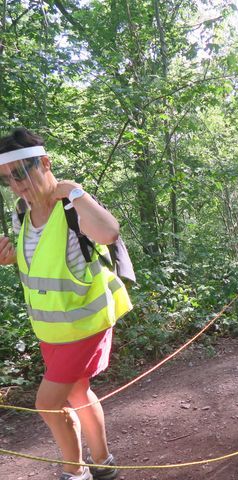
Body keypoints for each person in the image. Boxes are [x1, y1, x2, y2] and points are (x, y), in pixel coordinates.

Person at [0, 128, 132, 480]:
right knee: (77, 392)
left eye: (21, 173)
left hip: (84, 325)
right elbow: (45, 263)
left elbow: (108, 233)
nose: (16, 185)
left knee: (47, 403)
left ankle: (76, 472)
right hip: (51, 329)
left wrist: (75, 190)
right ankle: (103, 463)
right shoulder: (22, 212)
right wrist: (12, 259)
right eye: (7, 179)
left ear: (44, 162)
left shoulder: (72, 204)